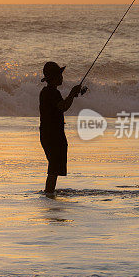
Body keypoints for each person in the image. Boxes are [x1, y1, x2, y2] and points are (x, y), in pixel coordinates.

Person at [39, 61, 84, 196]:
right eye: (59, 75)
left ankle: (50, 192)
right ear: (53, 77)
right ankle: (49, 193)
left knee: (54, 166)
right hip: (52, 135)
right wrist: (71, 94)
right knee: (54, 167)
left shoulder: (49, 92)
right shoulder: (51, 93)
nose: (61, 77)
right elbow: (63, 106)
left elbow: (61, 105)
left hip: (50, 134)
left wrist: (72, 95)